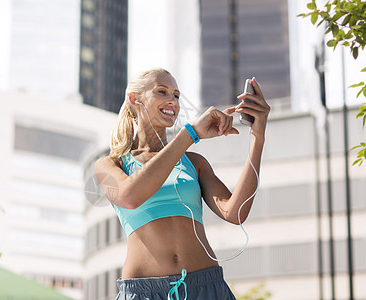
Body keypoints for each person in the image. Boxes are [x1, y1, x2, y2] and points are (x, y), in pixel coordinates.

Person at [94, 68, 270, 300]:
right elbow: (129, 196)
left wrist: (258, 137)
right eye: (162, 91)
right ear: (134, 99)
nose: (172, 101)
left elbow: (235, 212)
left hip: (206, 288)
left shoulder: (194, 163)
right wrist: (190, 134)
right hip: (144, 293)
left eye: (176, 95)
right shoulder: (110, 164)